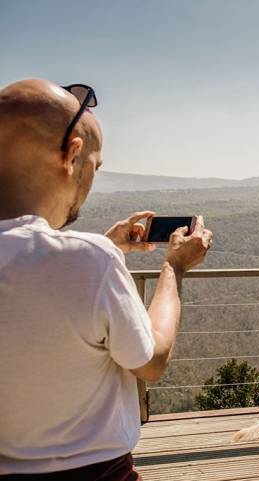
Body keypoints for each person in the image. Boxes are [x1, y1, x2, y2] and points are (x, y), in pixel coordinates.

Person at [0, 79, 213, 479]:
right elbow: (152, 361)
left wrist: (106, 247)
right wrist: (174, 268)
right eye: (94, 166)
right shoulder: (90, 261)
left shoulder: (90, 256)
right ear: (72, 153)